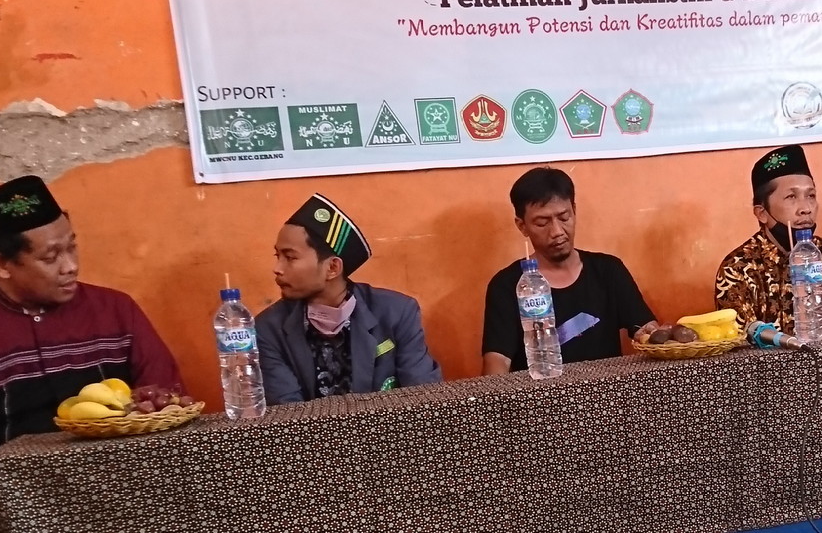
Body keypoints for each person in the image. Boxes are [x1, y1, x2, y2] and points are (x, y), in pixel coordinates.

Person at [0, 176, 183, 533]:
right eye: (51, 257)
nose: (71, 266)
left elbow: (164, 393)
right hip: (10, 492)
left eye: (72, 247)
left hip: (115, 479)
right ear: (2, 264)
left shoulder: (117, 310)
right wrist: (21, 502)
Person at [258, 195, 440, 404]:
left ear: (332, 268)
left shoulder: (396, 312)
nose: (277, 268)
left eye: (290, 257)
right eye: (278, 256)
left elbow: (423, 397)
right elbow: (288, 411)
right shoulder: (268, 328)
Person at [481, 167, 659, 373]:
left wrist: (652, 335)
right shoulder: (507, 285)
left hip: (607, 388)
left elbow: (645, 328)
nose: (557, 232)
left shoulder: (608, 270)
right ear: (522, 226)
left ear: (574, 210)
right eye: (542, 223)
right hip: (541, 391)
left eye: (564, 217)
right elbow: (497, 360)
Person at [714, 144, 822, 331]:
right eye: (791, 197)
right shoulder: (737, 268)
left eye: (811, 196)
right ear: (762, 213)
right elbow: (740, 342)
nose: (806, 208)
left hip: (821, 350)